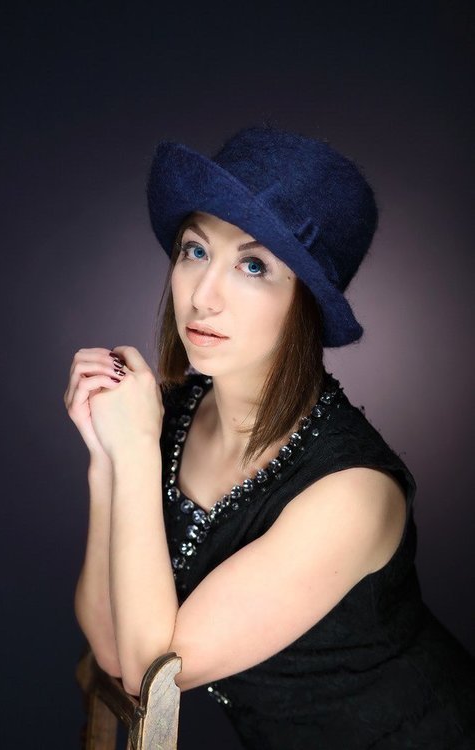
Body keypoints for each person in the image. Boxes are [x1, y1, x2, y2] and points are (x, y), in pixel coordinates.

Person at [65, 125, 475, 749]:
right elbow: (114, 653)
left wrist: (136, 452)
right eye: (195, 250)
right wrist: (107, 461)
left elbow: (154, 673)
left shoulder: (352, 495)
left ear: (305, 302)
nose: (203, 296)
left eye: (253, 265)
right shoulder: (172, 416)